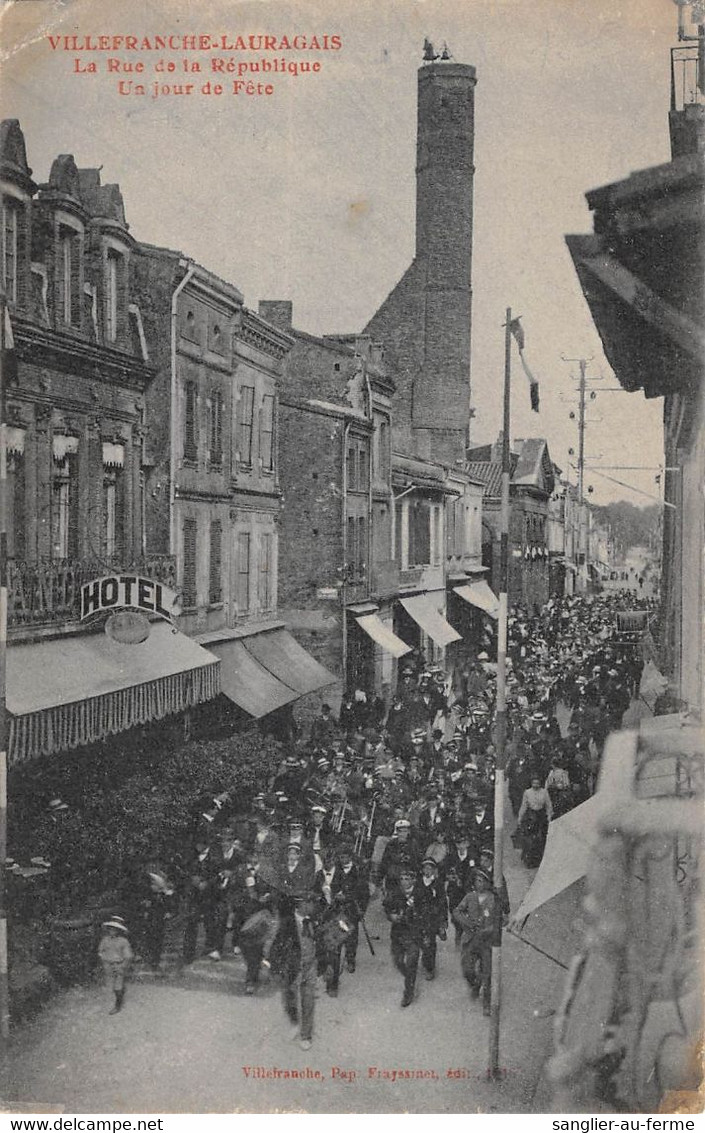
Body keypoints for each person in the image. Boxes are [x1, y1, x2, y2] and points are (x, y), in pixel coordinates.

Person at [272, 895, 319, 1051]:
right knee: (290, 996)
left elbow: (322, 941)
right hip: (293, 967)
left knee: (308, 999)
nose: (313, 906)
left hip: (310, 965)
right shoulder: (287, 923)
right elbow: (277, 945)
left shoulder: (313, 920)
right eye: (310, 902)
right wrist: (274, 966)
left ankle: (306, 1035)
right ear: (300, 905)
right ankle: (294, 1022)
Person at [452, 868, 500, 1016]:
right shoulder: (469, 897)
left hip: (486, 942)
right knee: (467, 969)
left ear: (487, 883)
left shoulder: (493, 899)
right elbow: (456, 911)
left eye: (481, 881)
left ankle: (486, 1003)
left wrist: (489, 929)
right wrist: (466, 923)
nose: (478, 884)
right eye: (476, 880)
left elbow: (500, 920)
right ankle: (475, 983)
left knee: (487, 973)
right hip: (470, 940)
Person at [383, 867, 424, 1008]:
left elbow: (428, 911)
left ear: (413, 880)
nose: (404, 882)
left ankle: (409, 991)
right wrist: (391, 916)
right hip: (398, 933)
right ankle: (410, 977)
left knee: (411, 961)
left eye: (407, 879)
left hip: (414, 933)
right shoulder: (395, 893)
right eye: (402, 879)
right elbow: (387, 907)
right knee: (398, 961)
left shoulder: (421, 894)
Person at [98, 916, 133, 1015]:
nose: (112, 931)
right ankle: (114, 999)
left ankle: (118, 1006)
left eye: (115, 929)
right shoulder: (105, 940)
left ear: (119, 930)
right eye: (110, 929)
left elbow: (128, 956)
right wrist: (104, 960)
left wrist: (122, 966)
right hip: (108, 965)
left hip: (118, 965)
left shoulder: (123, 941)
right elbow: (100, 951)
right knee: (110, 985)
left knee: (118, 986)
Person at [516, 774, 553, 868]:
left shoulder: (544, 792)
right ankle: (529, 860)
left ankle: (539, 859)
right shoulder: (527, 792)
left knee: (540, 839)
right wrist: (520, 817)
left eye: (537, 783)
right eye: (534, 783)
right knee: (530, 839)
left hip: (540, 816)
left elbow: (548, 805)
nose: (535, 785)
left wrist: (549, 816)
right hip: (530, 816)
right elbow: (523, 805)